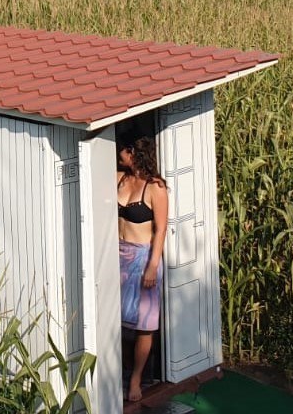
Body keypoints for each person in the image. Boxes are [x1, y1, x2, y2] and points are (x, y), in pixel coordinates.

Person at [117, 135, 168, 402]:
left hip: (142, 257)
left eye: (123, 150)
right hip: (117, 254)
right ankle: (124, 371)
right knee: (118, 319)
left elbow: (160, 230)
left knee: (143, 323)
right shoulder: (119, 178)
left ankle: (136, 379)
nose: (118, 153)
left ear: (133, 153)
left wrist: (153, 265)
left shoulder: (155, 187)